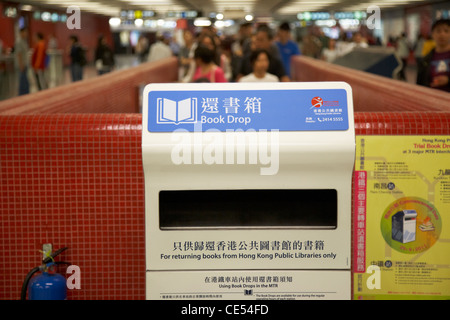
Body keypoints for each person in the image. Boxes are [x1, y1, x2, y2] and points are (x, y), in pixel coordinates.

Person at [417, 19, 450, 92]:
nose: (442, 34)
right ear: (432, 34)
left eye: (446, 31)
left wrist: (448, 80)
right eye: (438, 31)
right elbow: (420, 83)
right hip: (431, 99)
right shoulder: (426, 59)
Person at [15, 27, 30, 95]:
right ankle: (22, 95)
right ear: (21, 32)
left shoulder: (24, 41)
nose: (26, 34)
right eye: (25, 32)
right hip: (22, 65)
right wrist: (21, 65)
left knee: (25, 81)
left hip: (25, 64)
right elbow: (19, 54)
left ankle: (25, 93)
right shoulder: (19, 41)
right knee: (22, 81)